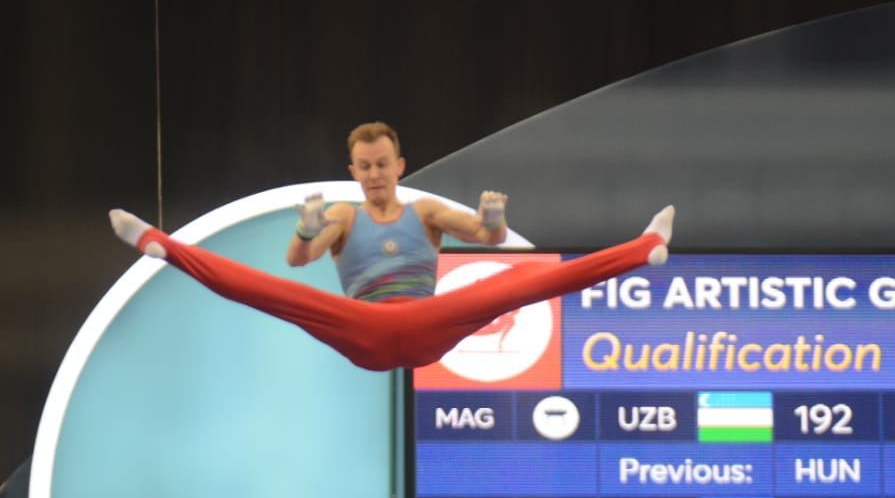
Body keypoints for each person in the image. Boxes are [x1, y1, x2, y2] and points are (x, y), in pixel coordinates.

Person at [109, 121, 673, 371]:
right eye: (365, 166)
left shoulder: (425, 212)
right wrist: (308, 229)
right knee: (270, 293)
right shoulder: (341, 216)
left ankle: (641, 249)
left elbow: (490, 240)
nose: (375, 174)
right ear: (351, 170)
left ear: (399, 166)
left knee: (515, 286)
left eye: (383, 164)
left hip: (427, 327)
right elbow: (296, 263)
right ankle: (162, 246)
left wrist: (493, 218)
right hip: (366, 330)